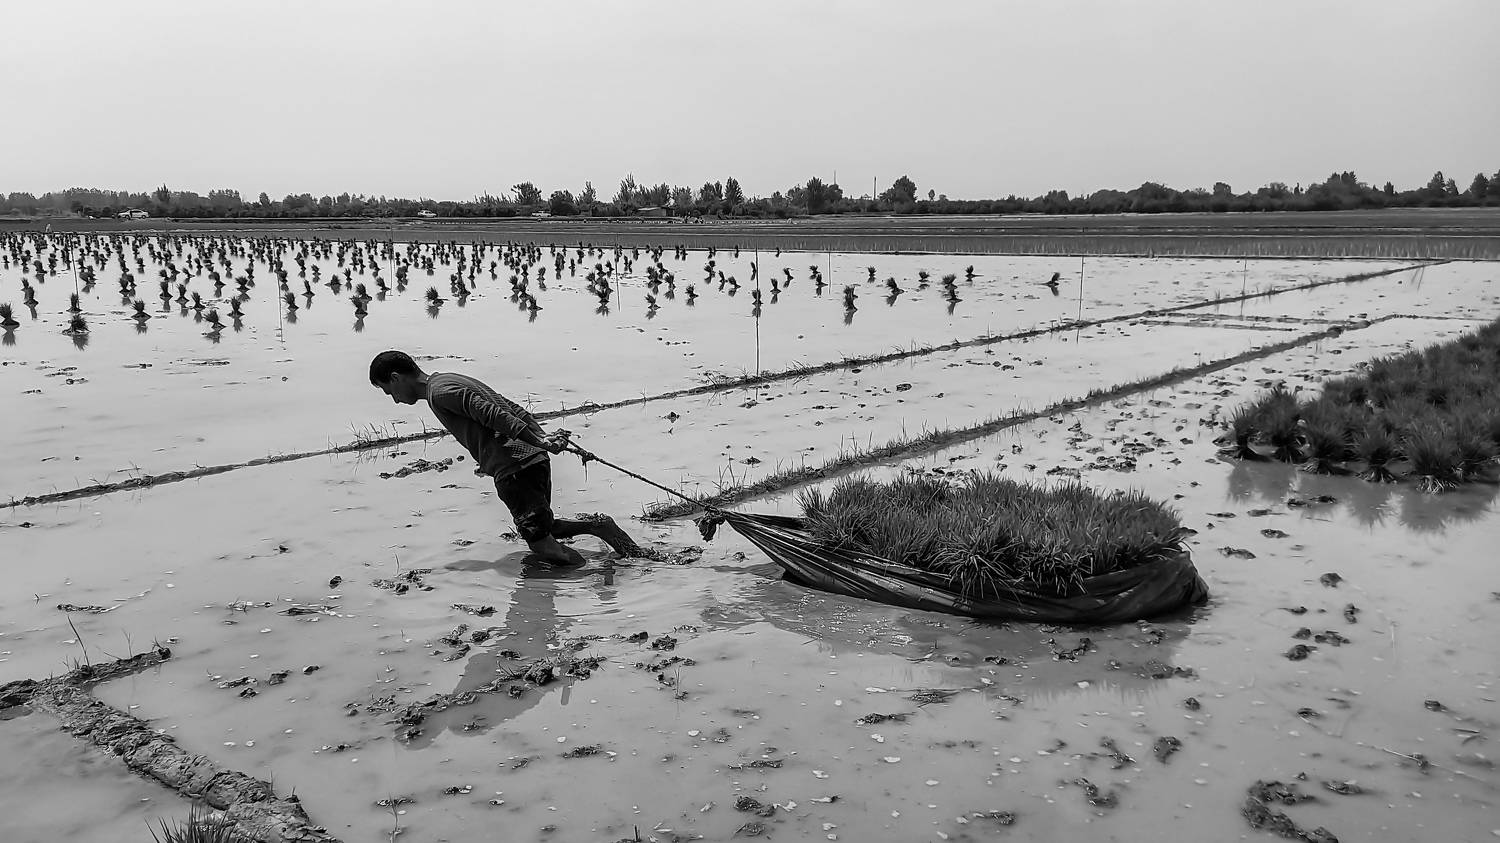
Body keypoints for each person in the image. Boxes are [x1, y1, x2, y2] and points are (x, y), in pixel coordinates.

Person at [368, 350, 642, 566]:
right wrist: (540, 438)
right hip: (532, 460)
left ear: (396, 378)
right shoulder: (450, 379)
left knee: (542, 545)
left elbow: (494, 414)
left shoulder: (440, 393)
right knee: (541, 527)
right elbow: (509, 406)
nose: (394, 400)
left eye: (388, 391)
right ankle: (600, 528)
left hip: (514, 467)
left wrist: (539, 440)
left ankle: (595, 572)